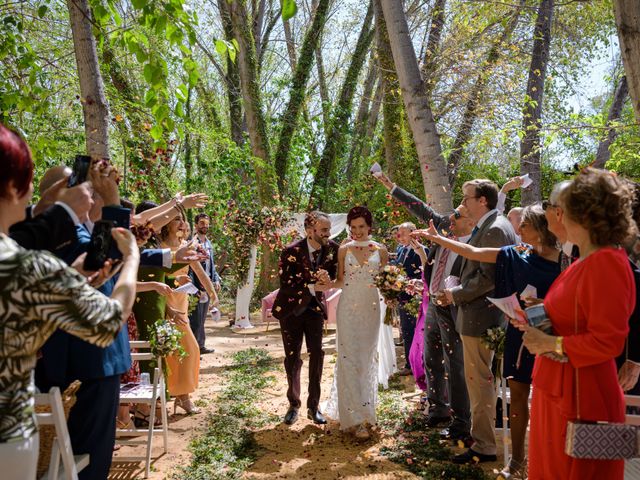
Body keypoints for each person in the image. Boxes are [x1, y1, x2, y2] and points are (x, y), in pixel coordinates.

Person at [0, 123, 139, 480]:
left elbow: (90, 265)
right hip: (85, 361)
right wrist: (128, 246)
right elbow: (101, 265)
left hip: (67, 366)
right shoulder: (36, 246)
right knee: (86, 460)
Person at [415, 203, 561, 477]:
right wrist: (437, 239)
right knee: (517, 397)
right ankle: (517, 461)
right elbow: (474, 252)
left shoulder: (565, 260)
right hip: (520, 333)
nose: (518, 230)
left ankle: (547, 464)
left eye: (525, 226)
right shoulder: (518, 252)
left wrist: (545, 304)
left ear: (541, 228)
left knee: (547, 402)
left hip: (553, 339)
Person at [514, 168, 636, 480]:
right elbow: (578, 315)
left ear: (581, 213)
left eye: (559, 207)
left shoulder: (607, 262)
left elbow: (609, 341)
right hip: (559, 388)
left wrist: (549, 343)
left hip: (582, 399)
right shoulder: (584, 261)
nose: (555, 214)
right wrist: (543, 315)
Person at [373, 170, 472, 443]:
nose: (449, 218)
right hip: (432, 305)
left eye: (457, 215)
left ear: (471, 221)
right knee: (431, 357)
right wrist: (393, 186)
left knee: (455, 363)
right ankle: (437, 407)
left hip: (454, 307)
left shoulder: (473, 243)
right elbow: (420, 208)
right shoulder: (445, 228)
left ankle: (461, 419)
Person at [439, 179, 517, 464]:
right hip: (484, 316)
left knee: (480, 382)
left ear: (482, 200)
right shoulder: (492, 224)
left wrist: (454, 294)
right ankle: (483, 439)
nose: (464, 203)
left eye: (467, 197)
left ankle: (484, 446)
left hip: (481, 317)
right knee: (483, 380)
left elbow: (486, 278)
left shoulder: (495, 228)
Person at [324, 206, 389, 440]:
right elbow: (340, 281)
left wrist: (396, 289)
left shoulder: (381, 250)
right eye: (353, 227)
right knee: (348, 358)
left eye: (361, 227)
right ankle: (354, 418)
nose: (357, 231)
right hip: (347, 308)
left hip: (371, 308)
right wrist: (321, 284)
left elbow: (386, 282)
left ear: (369, 226)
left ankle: (365, 411)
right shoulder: (343, 249)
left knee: (365, 358)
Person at [272, 211, 339, 426]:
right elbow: (286, 283)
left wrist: (329, 282)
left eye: (328, 229)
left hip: (315, 310)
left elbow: (338, 276)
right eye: (324, 230)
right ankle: (294, 404)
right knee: (292, 358)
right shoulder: (290, 251)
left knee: (317, 355)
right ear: (310, 231)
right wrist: (312, 286)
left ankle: (314, 406)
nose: (328, 233)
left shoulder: (333, 250)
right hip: (290, 311)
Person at [160, 213, 218, 414]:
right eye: (176, 219)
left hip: (181, 302)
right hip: (165, 302)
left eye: (182, 219)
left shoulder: (186, 245)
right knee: (172, 351)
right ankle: (178, 396)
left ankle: (182, 395)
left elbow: (200, 271)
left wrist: (212, 293)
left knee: (189, 351)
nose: (181, 222)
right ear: (166, 224)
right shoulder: (158, 246)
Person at [392, 222, 425, 375]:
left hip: (415, 298)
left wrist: (405, 282)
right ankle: (409, 363)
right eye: (399, 233)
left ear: (413, 233)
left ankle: (418, 365)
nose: (400, 237)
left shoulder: (422, 251)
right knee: (406, 331)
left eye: (403, 233)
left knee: (416, 332)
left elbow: (423, 275)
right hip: (402, 297)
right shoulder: (400, 250)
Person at [189, 212, 221, 354]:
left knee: (202, 318)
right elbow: (191, 267)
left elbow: (211, 265)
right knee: (194, 318)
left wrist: (215, 279)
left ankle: (201, 346)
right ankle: (194, 349)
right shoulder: (192, 242)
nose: (205, 226)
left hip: (208, 285)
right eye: (202, 223)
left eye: (207, 224)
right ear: (196, 225)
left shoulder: (208, 243)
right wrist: (195, 286)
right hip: (195, 286)